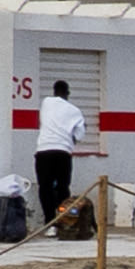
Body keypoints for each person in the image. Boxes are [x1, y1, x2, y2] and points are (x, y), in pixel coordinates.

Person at [32, 75, 87, 227]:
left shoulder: (46, 102)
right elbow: (79, 135)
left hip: (43, 151)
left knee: (45, 188)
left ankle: (49, 222)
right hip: (63, 153)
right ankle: (63, 221)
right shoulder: (75, 111)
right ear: (67, 93)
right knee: (63, 188)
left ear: (54, 91)